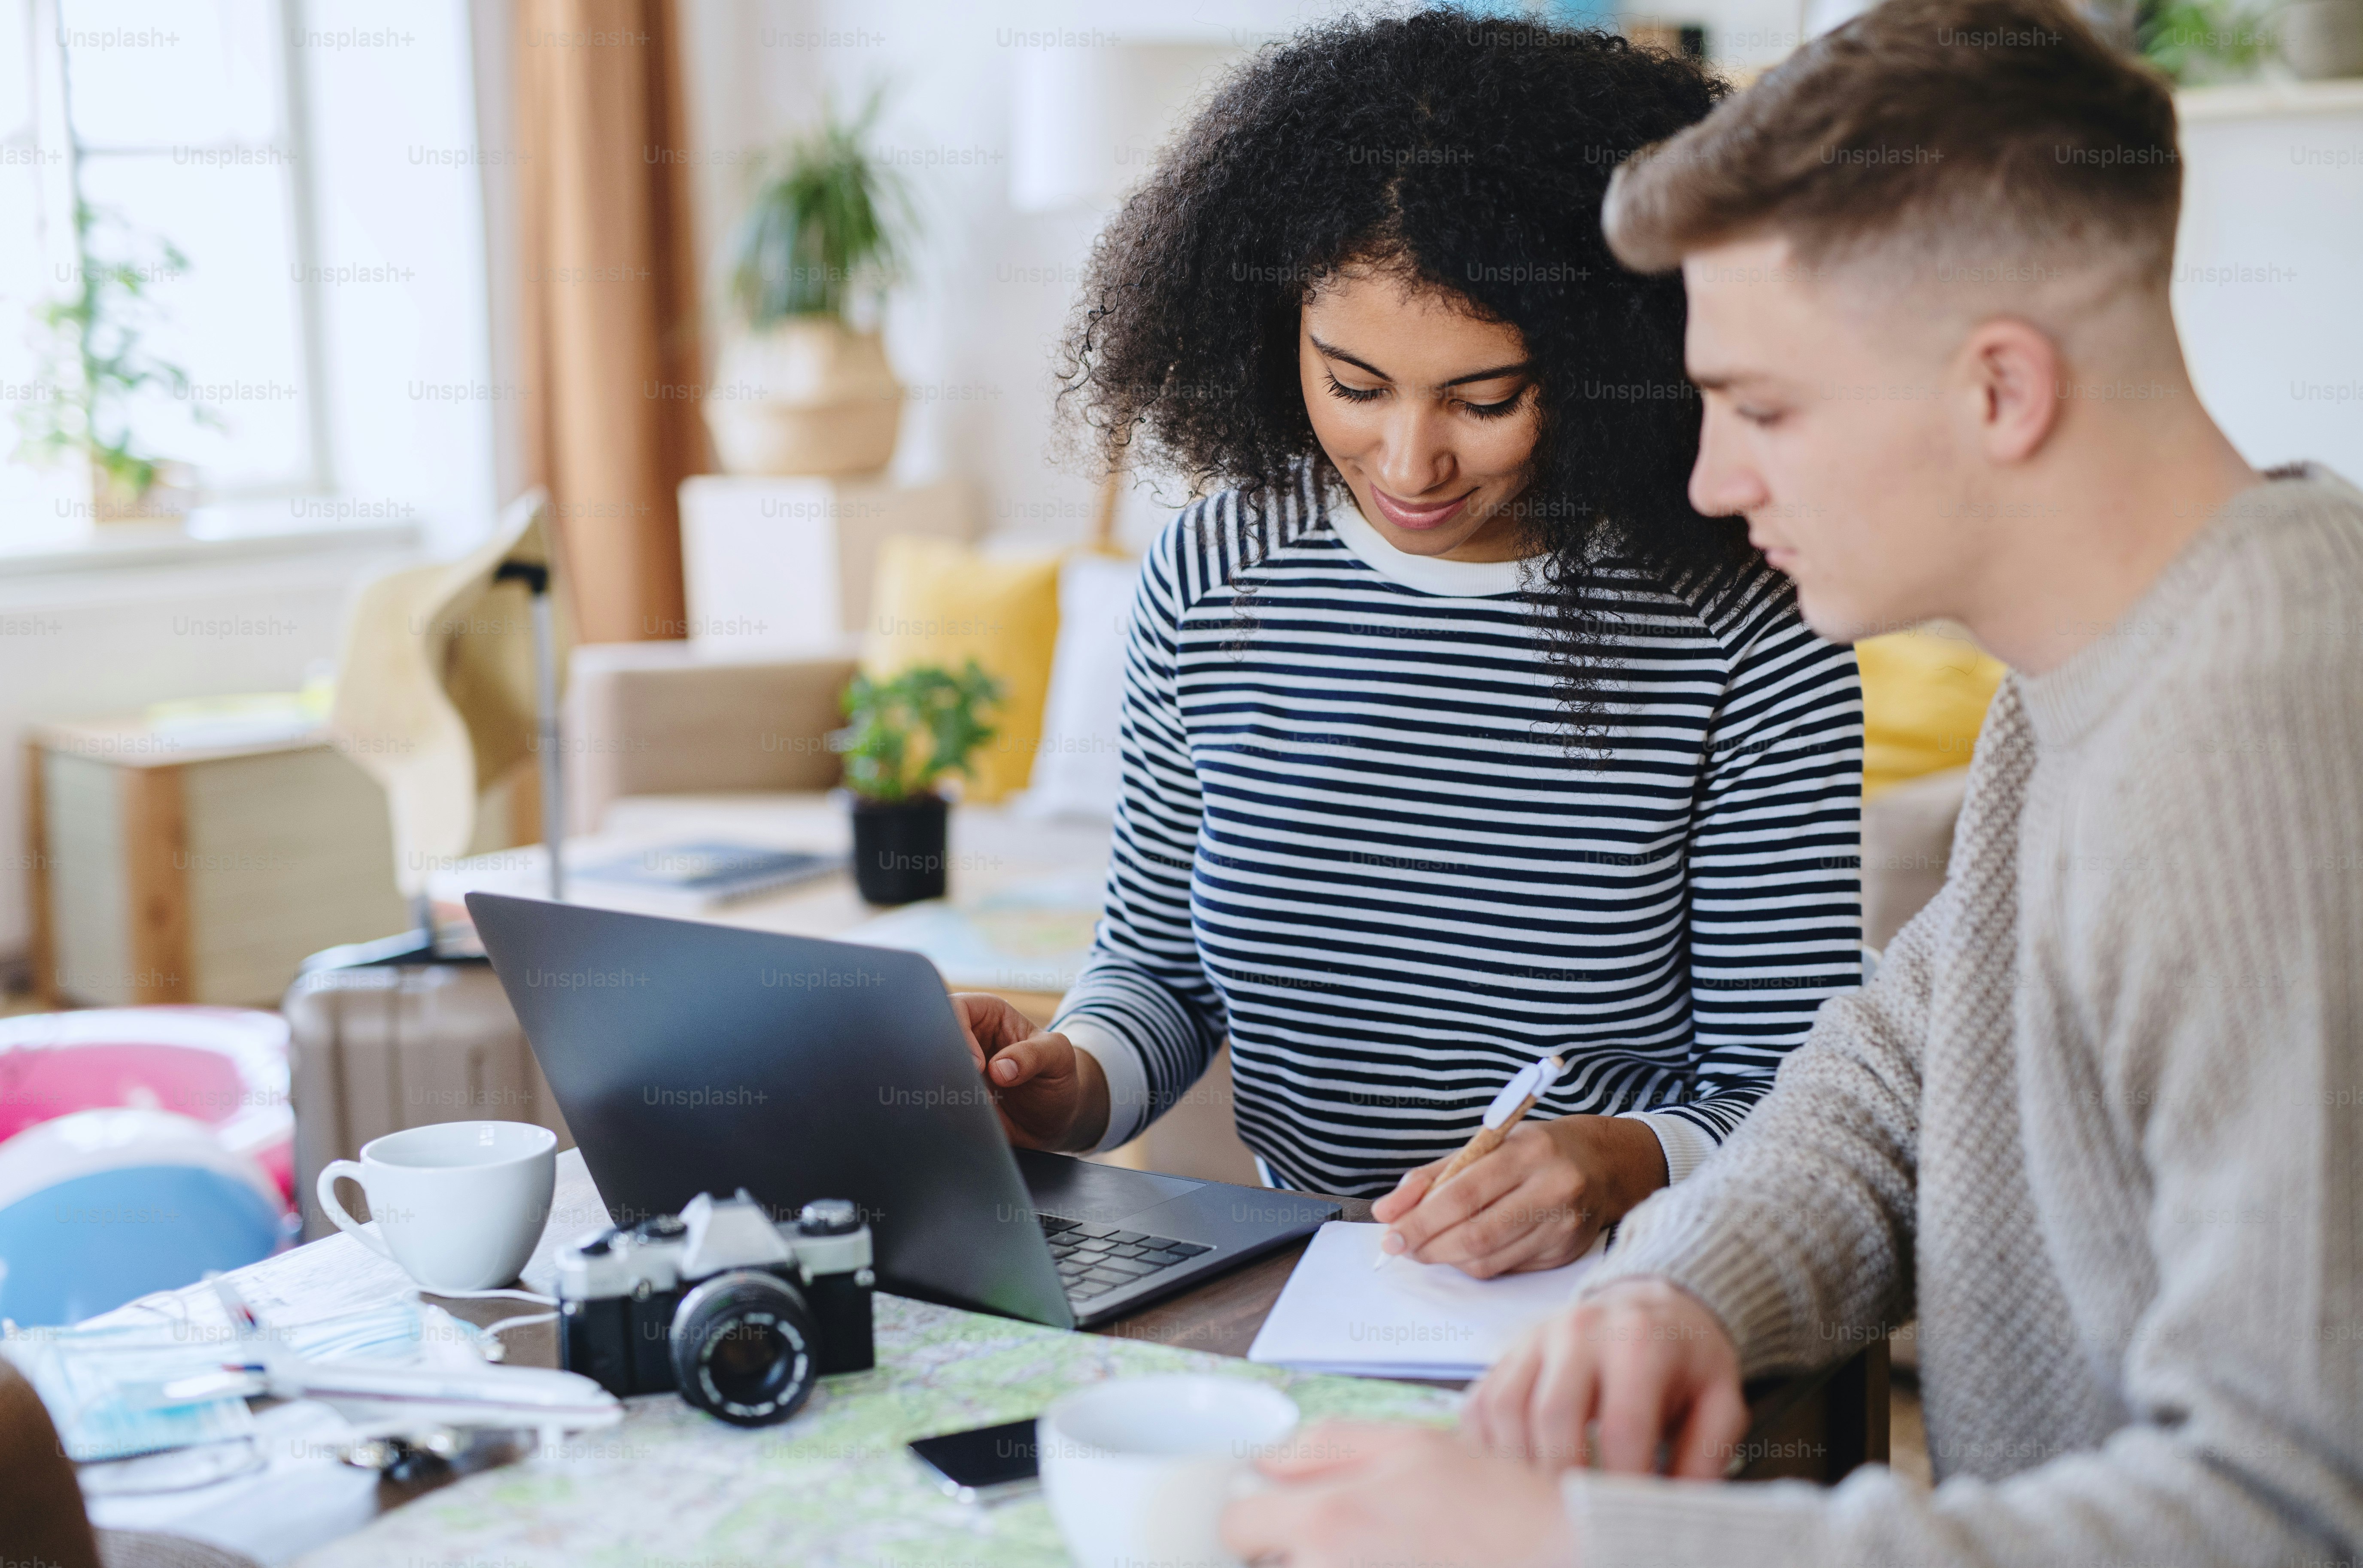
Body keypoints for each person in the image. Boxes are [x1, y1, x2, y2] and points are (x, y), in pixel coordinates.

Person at [1222, 0, 2363, 1562]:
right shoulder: (2105, 662)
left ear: (2001, 392)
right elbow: (1907, 1064)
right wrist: (1686, 1285)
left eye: (1763, 407)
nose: (1710, 480)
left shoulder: (2267, 738)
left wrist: (1578, 1547)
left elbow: (2291, 1510)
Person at [952, 9, 1866, 1279]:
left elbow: (1801, 1087)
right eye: (1355, 383)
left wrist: (1616, 1160)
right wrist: (1066, 1079)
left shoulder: (1748, 623)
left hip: (1641, 1291)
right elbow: (1159, 971)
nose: (1410, 461)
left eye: (1486, 399)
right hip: (1315, 1275)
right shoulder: (1215, 571)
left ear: (1616, 356)